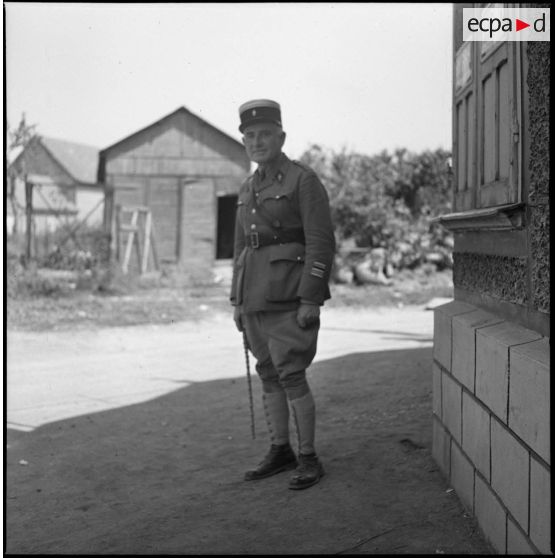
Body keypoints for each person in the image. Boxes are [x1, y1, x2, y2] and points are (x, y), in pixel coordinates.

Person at [230, 99, 336, 490]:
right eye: (250, 136)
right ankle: (281, 450)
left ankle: (308, 457)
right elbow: (240, 248)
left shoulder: (302, 180)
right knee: (268, 373)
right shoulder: (247, 187)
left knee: (291, 374)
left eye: (265, 135)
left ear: (281, 137)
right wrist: (236, 301)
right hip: (254, 297)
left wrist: (311, 297)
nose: (257, 142)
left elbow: (321, 243)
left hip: (290, 295)